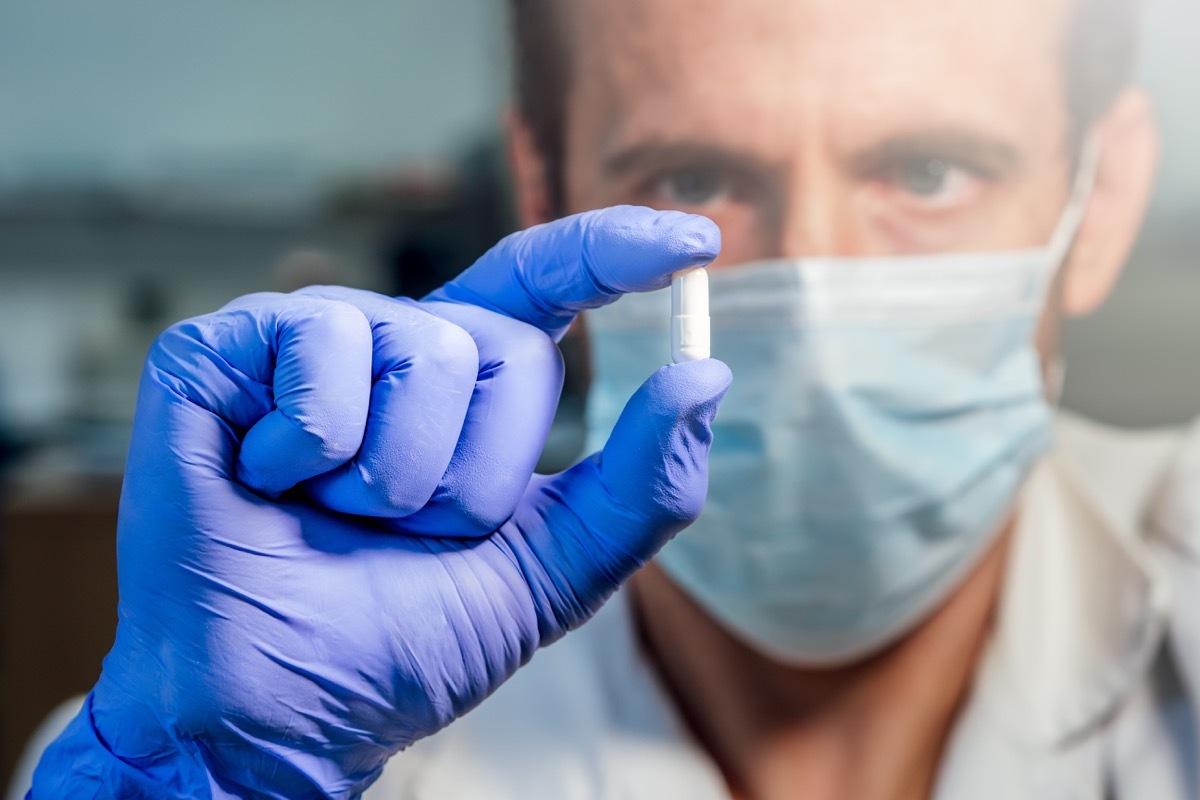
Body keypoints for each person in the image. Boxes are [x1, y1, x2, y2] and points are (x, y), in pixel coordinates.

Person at [17, 0, 1200, 798]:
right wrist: (205, 772)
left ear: (1100, 200)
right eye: (695, 178)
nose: (821, 295)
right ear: (544, 188)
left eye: (929, 172)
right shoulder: (309, 698)